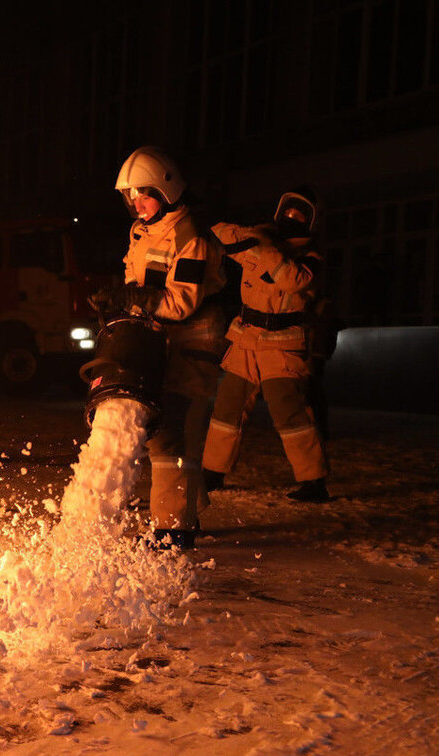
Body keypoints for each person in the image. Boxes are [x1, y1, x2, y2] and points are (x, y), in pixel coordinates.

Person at [91, 146, 228, 549]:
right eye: (130, 197)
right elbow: (139, 285)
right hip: (159, 341)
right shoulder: (142, 231)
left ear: (167, 190)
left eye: (144, 194)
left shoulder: (192, 238)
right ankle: (188, 507)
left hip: (193, 344)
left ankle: (175, 529)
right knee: (164, 431)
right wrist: (118, 301)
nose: (137, 204)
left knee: (174, 434)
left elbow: (182, 301)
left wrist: (136, 300)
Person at [201, 186, 330, 502]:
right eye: (287, 212)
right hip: (246, 340)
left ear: (311, 222)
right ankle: (212, 472)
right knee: (226, 409)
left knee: (290, 413)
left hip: (283, 347)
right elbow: (218, 234)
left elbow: (293, 280)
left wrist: (266, 247)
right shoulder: (261, 242)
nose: (290, 219)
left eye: (300, 215)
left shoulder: (311, 258)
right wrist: (253, 234)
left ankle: (314, 481)